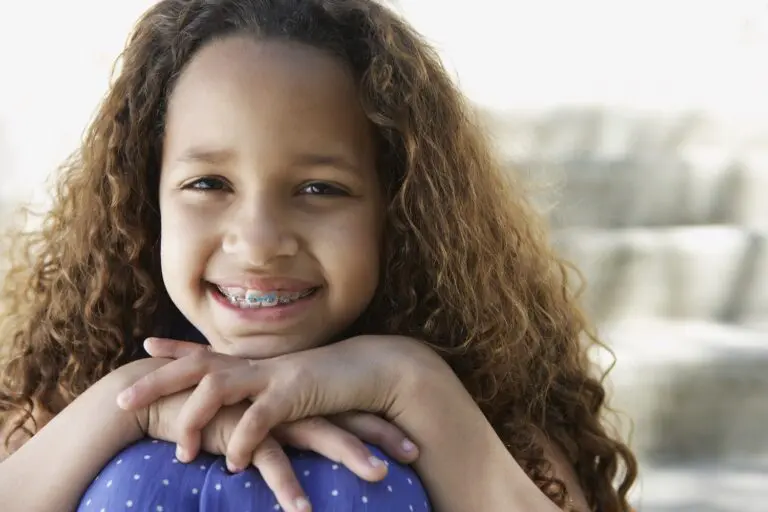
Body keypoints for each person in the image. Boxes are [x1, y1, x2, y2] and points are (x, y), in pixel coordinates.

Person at [0, 0, 638, 511]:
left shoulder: (483, 402)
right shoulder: (73, 383)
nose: (257, 242)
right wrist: (135, 401)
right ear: (146, 201)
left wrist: (407, 380)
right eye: (209, 184)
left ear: (398, 210)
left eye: (318, 189)